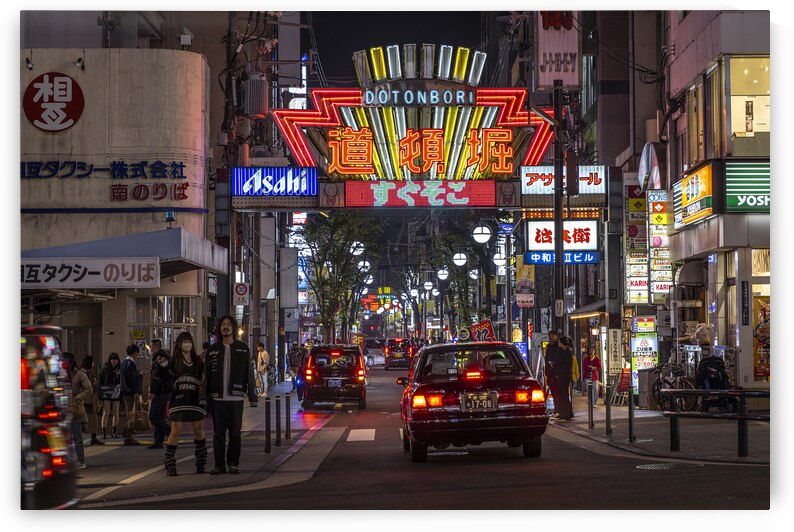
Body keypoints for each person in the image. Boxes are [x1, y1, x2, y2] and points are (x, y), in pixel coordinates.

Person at [204, 315, 258, 475]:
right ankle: (219, 465)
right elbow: (206, 375)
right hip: (217, 398)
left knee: (235, 434)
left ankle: (233, 463)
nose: (225, 327)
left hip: (236, 397)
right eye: (223, 324)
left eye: (228, 324)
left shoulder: (242, 348)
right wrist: (204, 398)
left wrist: (253, 397)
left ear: (234, 328)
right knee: (218, 434)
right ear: (219, 329)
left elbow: (249, 373)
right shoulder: (213, 350)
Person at [164, 332, 208, 476]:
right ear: (179, 344)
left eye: (189, 342)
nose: (187, 345)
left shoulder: (198, 361)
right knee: (176, 430)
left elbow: (203, 379)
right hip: (178, 400)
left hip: (194, 399)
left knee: (198, 429)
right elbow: (166, 379)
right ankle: (170, 464)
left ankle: (201, 463)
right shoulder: (173, 361)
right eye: (184, 342)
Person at [64, 352, 92, 469]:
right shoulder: (59, 374)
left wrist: (78, 397)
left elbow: (89, 389)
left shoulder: (79, 374)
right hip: (63, 410)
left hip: (75, 409)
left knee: (76, 436)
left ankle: (81, 460)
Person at [147, 349, 173, 449]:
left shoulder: (160, 363)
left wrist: (152, 392)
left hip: (160, 393)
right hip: (167, 392)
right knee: (160, 416)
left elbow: (157, 379)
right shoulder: (168, 363)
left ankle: (168, 430)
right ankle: (158, 441)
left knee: (153, 415)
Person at [120, 344, 143, 445]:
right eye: (137, 353)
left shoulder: (124, 363)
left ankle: (128, 436)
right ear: (135, 353)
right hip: (130, 392)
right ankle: (129, 438)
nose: (137, 355)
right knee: (130, 415)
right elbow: (132, 379)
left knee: (128, 414)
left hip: (124, 392)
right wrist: (136, 391)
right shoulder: (131, 363)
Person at [80, 356, 105, 446]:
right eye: (92, 362)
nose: (93, 364)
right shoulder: (82, 373)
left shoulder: (91, 372)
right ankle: (89, 437)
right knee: (87, 418)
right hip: (86, 399)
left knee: (93, 418)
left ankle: (93, 437)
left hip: (90, 399)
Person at [100, 352, 122, 438]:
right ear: (110, 360)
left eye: (116, 359)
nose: (114, 361)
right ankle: (104, 432)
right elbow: (101, 381)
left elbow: (121, 381)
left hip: (116, 392)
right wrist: (100, 393)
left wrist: (118, 375)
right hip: (106, 392)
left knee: (116, 413)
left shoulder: (120, 369)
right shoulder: (105, 369)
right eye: (113, 359)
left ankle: (114, 431)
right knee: (106, 412)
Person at [553, 337, 575, 420]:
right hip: (561, 375)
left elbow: (563, 364)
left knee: (564, 395)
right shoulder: (561, 352)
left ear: (563, 343)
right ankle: (565, 413)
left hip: (564, 376)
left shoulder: (567, 353)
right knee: (563, 395)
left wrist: (556, 365)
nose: (559, 343)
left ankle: (566, 414)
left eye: (560, 342)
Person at [544, 330, 561, 414]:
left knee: (557, 392)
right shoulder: (549, 346)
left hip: (556, 374)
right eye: (549, 335)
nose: (550, 337)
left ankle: (558, 409)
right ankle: (556, 409)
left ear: (557, 336)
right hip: (549, 373)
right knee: (553, 392)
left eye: (552, 335)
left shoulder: (558, 347)